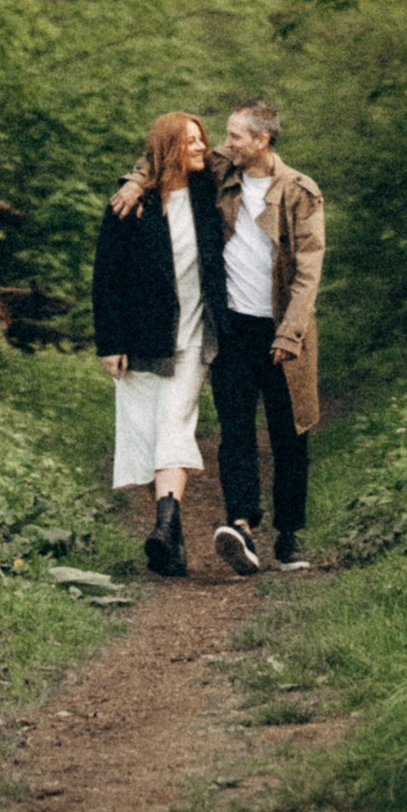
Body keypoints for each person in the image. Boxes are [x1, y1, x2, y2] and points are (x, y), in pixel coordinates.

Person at [113, 97, 326, 576]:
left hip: (285, 334)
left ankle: (289, 537)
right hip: (231, 328)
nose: (221, 144)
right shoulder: (222, 173)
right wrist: (133, 181)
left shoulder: (299, 192)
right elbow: (163, 152)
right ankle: (242, 525)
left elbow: (308, 275)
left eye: (235, 137)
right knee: (236, 433)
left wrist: (289, 334)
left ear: (262, 141)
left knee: (290, 436)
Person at [89, 109, 227, 578]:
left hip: (192, 339)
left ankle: (165, 522)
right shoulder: (131, 206)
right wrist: (110, 342)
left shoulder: (209, 192)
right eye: (189, 141)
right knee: (148, 437)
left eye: (201, 139)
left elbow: (241, 155)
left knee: (173, 426)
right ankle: (170, 533)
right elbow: (106, 278)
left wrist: (139, 174)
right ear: (168, 147)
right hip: (140, 337)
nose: (200, 148)